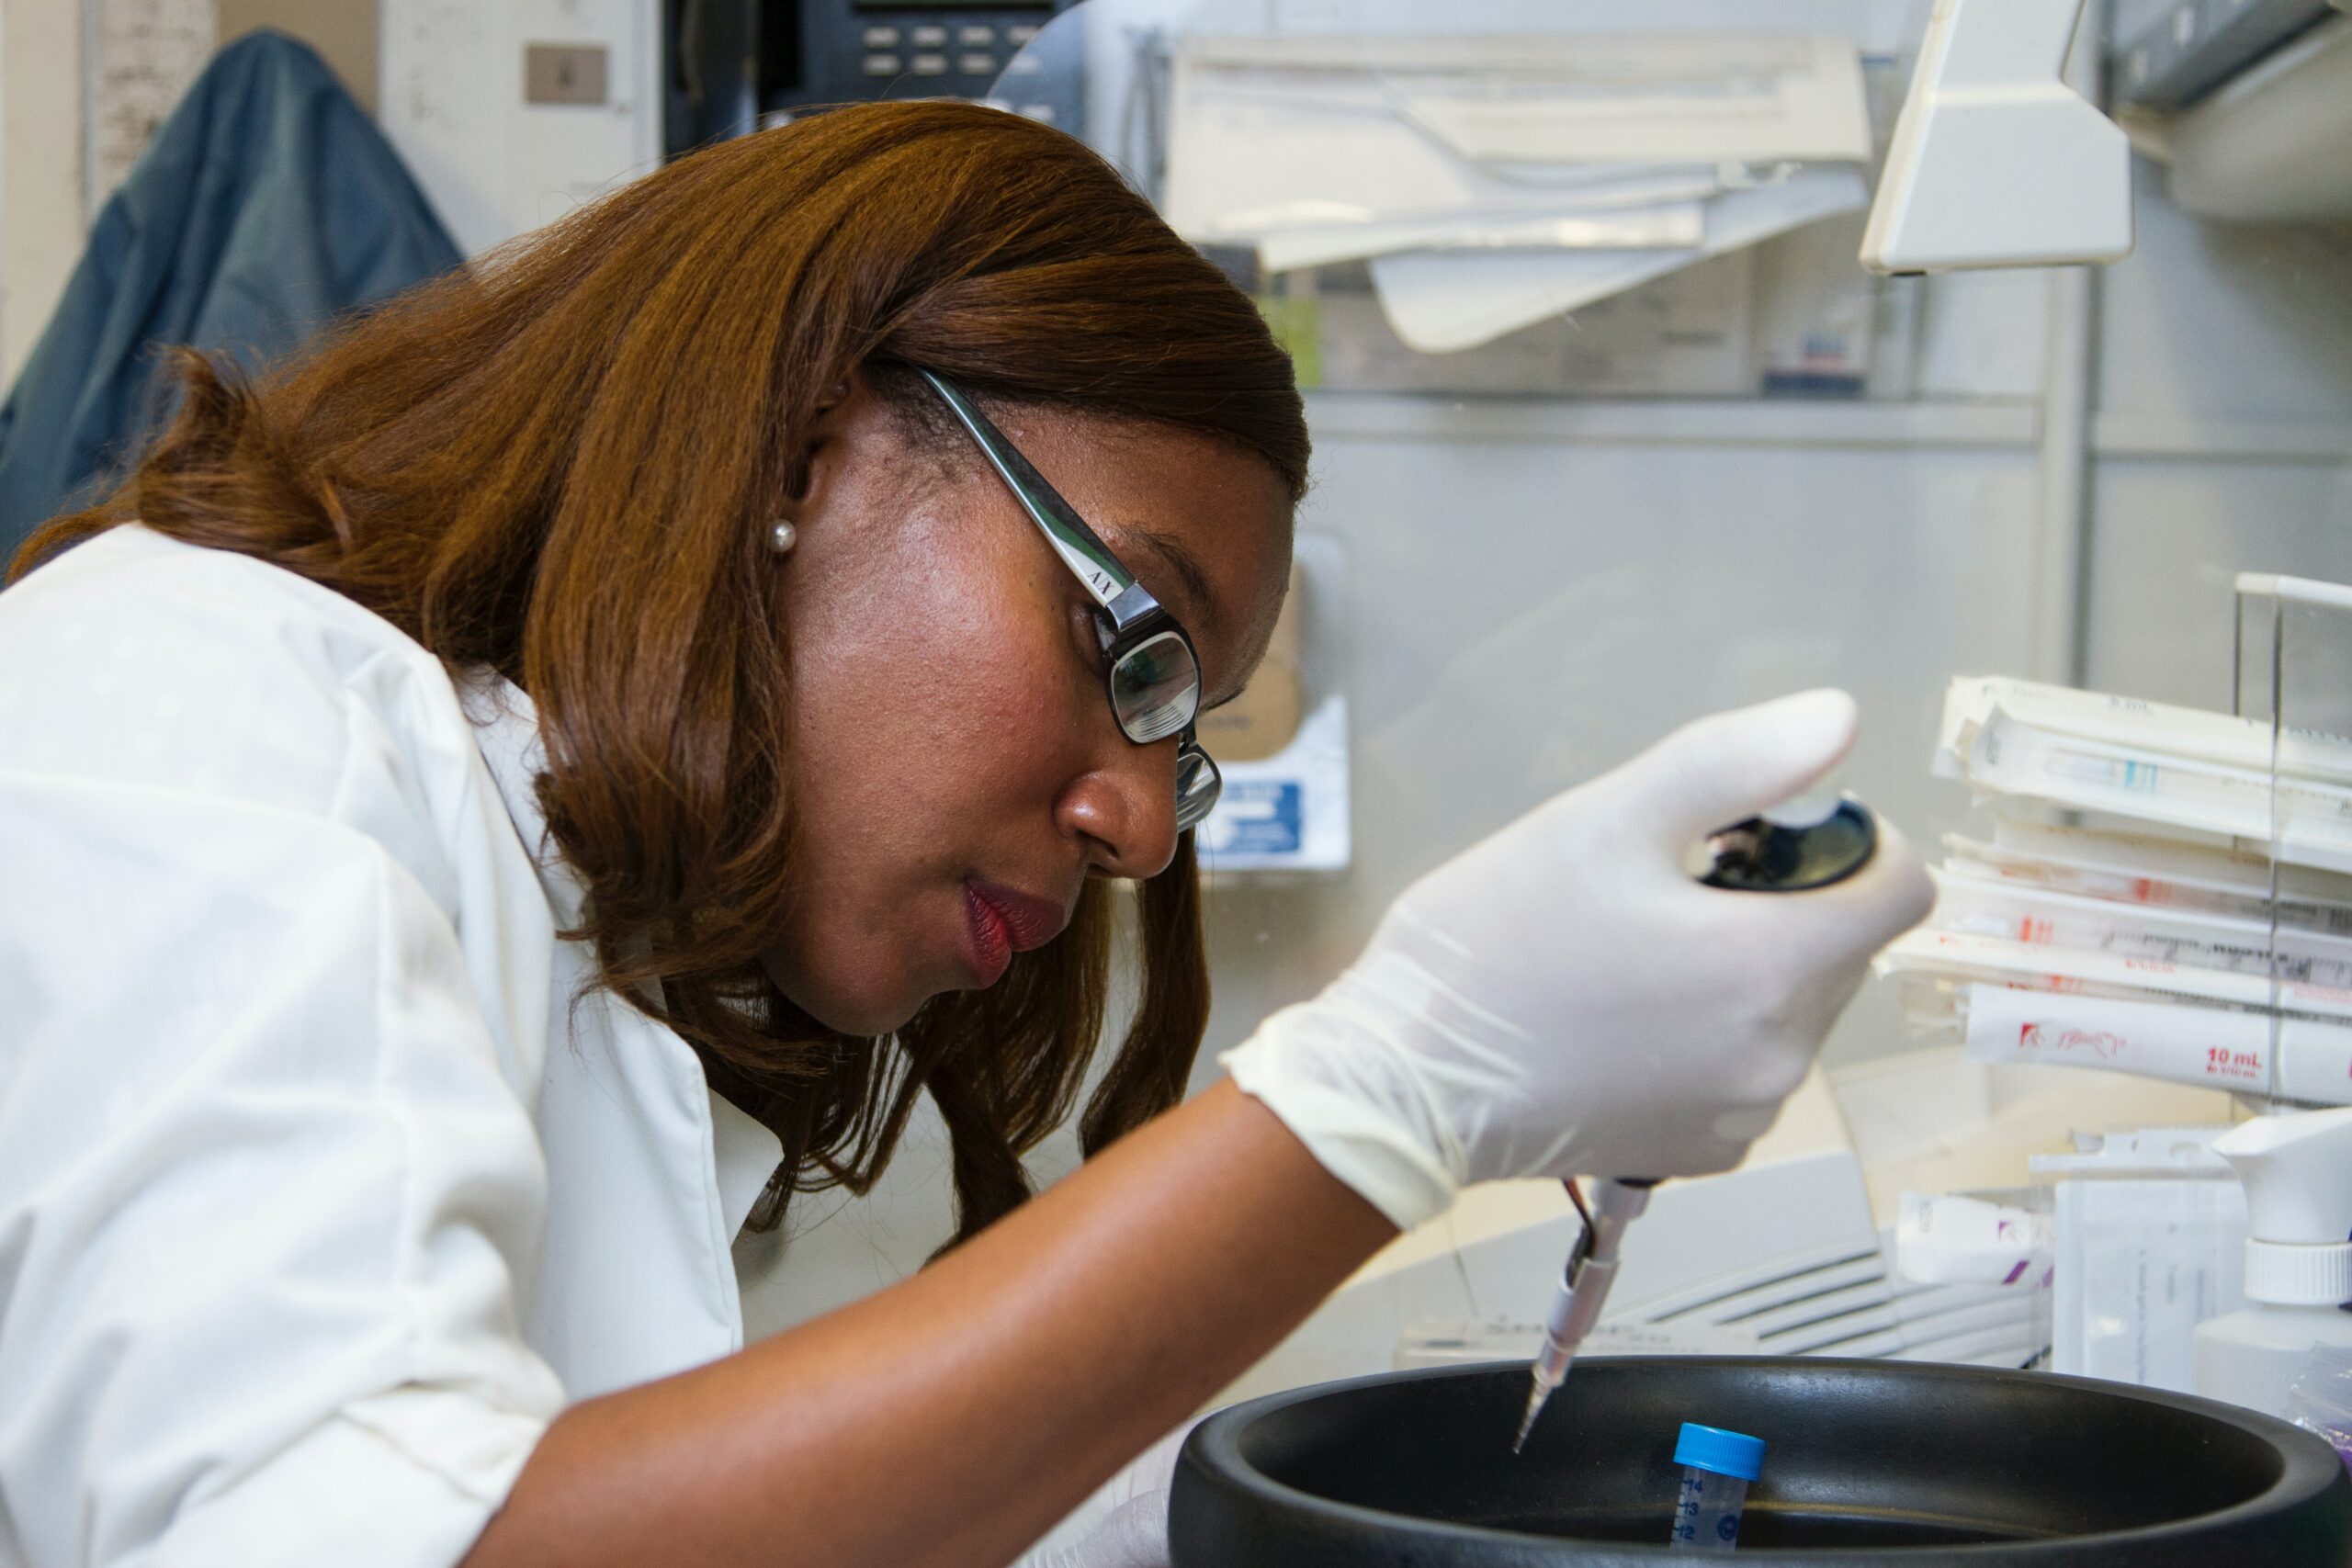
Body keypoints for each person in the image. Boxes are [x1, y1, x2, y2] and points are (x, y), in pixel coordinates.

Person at [0, 101, 1932, 1568]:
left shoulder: (599, 948)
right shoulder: (189, 705)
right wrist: (1390, 1093)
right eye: (1137, 645)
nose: (1140, 824)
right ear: (803, 444)